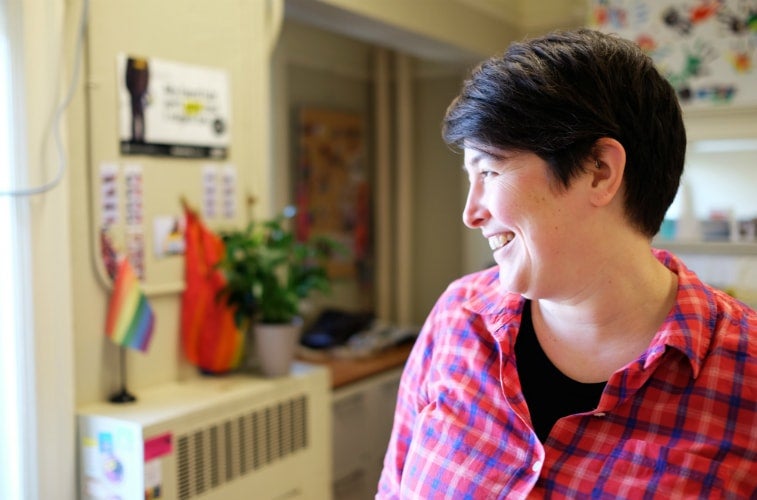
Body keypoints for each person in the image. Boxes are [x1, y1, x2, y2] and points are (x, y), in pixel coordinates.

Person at [377, 28, 756, 498]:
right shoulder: (458, 317)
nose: (471, 213)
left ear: (599, 171)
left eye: (490, 170)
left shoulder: (746, 373)